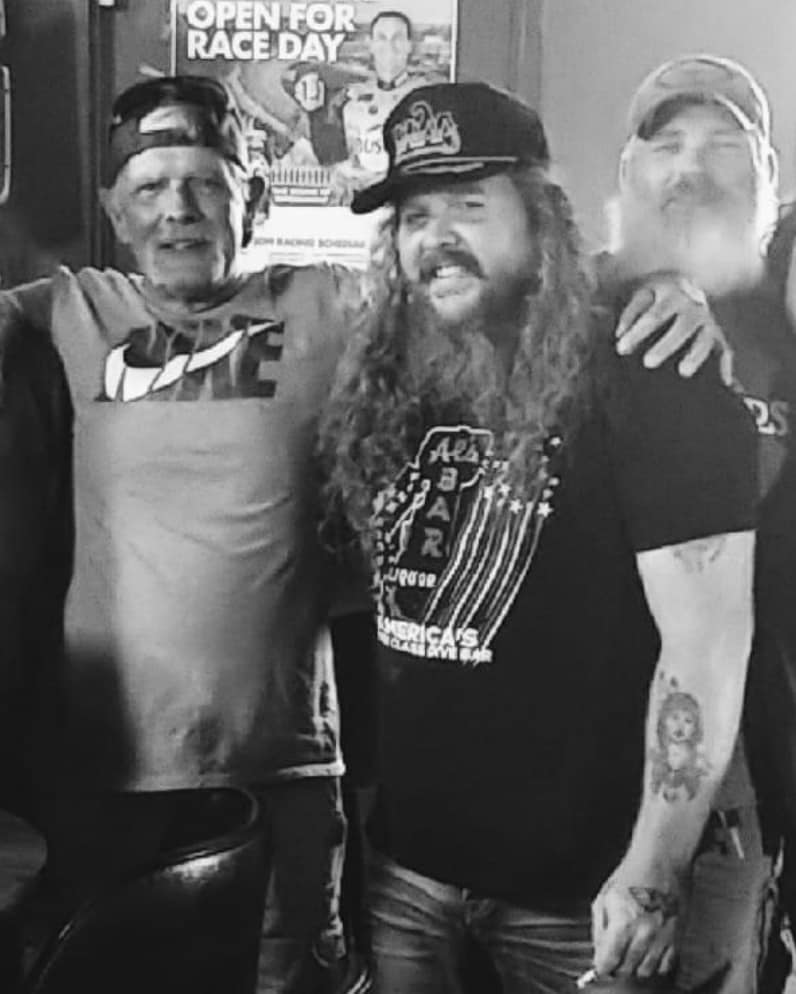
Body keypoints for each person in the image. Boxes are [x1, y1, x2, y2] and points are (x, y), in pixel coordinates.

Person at [319, 80, 758, 993]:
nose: (435, 238)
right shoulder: (389, 376)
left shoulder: (652, 366)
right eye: (413, 216)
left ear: (541, 216)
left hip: (582, 896)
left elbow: (707, 643)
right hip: (409, 874)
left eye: (469, 207)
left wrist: (653, 869)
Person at [2, 74, 352, 994]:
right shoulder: (73, 310)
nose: (179, 209)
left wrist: (660, 287)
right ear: (116, 214)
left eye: (204, 182)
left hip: (279, 763)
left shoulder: (323, 304)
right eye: (150, 188)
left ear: (254, 199)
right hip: (110, 773)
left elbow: (494, 295)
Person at [605, 54, 796, 994]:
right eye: (667, 143)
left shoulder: (783, 317)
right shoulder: (573, 308)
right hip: (566, 766)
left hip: (737, 782)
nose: (691, 166)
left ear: (768, 177)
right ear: (626, 174)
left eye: (724, 144)